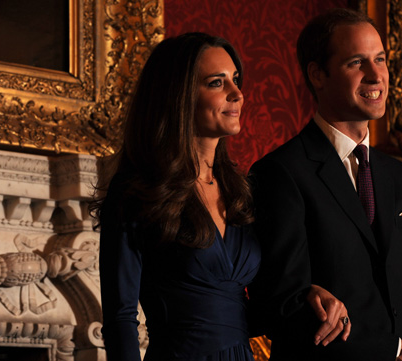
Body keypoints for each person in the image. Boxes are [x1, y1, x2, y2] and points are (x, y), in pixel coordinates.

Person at [92, 32, 350, 361]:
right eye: (217, 83)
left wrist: (308, 296)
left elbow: (239, 314)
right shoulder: (138, 189)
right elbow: (120, 319)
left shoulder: (239, 190)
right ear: (179, 96)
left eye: (235, 79)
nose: (237, 93)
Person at [248, 9, 402, 361]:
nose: (376, 76)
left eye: (381, 59)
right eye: (357, 63)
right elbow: (285, 303)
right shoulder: (280, 173)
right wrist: (394, 350)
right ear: (317, 74)